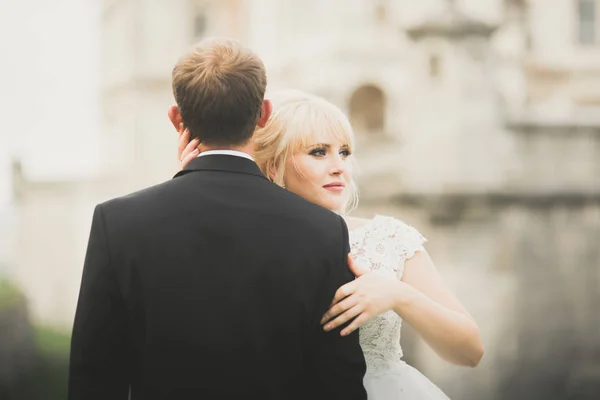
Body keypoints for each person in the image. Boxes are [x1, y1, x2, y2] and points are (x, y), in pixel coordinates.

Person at [68, 39, 367, 400]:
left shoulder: (117, 222)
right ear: (263, 115)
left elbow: (94, 376)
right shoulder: (323, 229)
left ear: (177, 118)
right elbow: (340, 381)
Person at [178, 89, 485, 399]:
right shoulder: (237, 240)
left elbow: (470, 351)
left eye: (345, 152)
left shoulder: (388, 237)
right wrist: (192, 184)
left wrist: (397, 295)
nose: (340, 166)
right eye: (318, 152)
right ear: (273, 164)